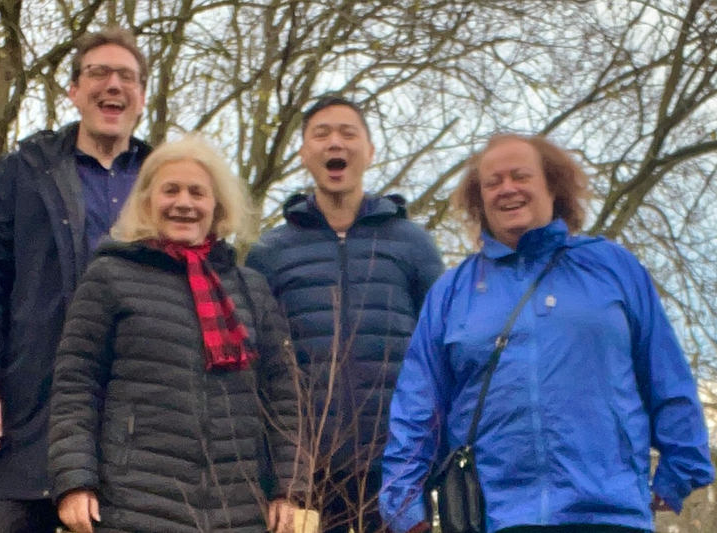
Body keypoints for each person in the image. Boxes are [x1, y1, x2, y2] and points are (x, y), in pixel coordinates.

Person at [379, 133, 715, 533]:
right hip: (494, 516)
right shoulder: (451, 294)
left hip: (611, 511)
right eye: (493, 182)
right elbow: (419, 405)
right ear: (479, 199)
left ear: (552, 186)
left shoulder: (613, 268)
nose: (508, 189)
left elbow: (666, 374)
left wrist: (680, 467)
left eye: (521, 176)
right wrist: (402, 503)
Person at [48, 135, 308, 533]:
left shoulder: (250, 288)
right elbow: (75, 384)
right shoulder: (109, 276)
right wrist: (74, 481)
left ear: (216, 205)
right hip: (132, 505)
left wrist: (290, 489)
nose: (184, 202)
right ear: (148, 200)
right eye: (171, 190)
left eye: (197, 192)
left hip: (238, 509)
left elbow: (283, 395)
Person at [0, 27, 151, 532]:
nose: (112, 84)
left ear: (143, 97)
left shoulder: (166, 183)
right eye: (98, 72)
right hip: (26, 421)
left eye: (126, 76)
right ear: (74, 91)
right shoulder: (23, 172)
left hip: (136, 429)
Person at [246, 95, 445, 533]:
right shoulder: (270, 253)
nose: (335, 142)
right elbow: (254, 364)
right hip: (304, 473)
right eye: (321, 134)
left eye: (348, 133)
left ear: (369, 152)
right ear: (304, 153)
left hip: (398, 467)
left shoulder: (412, 243)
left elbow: (442, 347)